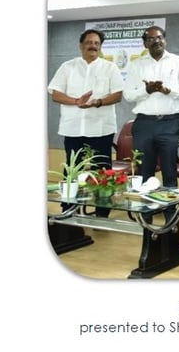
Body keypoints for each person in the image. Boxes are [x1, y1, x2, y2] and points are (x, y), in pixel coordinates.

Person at [123, 25, 179, 222]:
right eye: (150, 39)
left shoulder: (178, 61)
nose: (156, 41)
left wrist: (168, 91)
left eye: (159, 37)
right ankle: (146, 215)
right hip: (144, 124)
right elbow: (128, 95)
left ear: (165, 39)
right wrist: (146, 91)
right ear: (145, 43)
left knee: (169, 171)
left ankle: (170, 216)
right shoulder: (136, 65)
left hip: (169, 124)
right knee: (144, 171)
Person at [48, 29, 124, 217]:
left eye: (97, 43)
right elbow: (55, 93)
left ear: (100, 47)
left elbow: (117, 95)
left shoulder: (110, 68)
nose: (93, 46)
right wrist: (76, 101)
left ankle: (102, 214)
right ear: (81, 45)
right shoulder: (68, 67)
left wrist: (97, 102)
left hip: (101, 129)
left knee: (102, 172)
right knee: (72, 171)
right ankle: (68, 211)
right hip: (73, 129)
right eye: (89, 42)